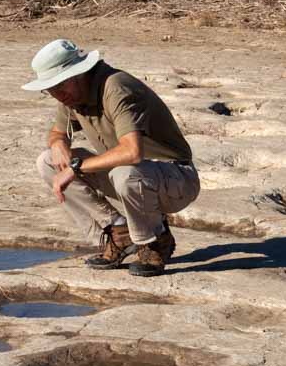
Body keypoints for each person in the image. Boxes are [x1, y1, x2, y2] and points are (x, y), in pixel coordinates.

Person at [23, 39, 200, 277]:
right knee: (47, 162)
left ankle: (154, 241)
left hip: (175, 179)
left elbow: (132, 152)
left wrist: (75, 167)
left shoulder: (115, 87)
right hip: (136, 178)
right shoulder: (71, 95)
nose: (56, 95)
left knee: (125, 172)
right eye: (50, 89)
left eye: (59, 86)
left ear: (77, 75)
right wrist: (58, 143)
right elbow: (57, 131)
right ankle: (119, 231)